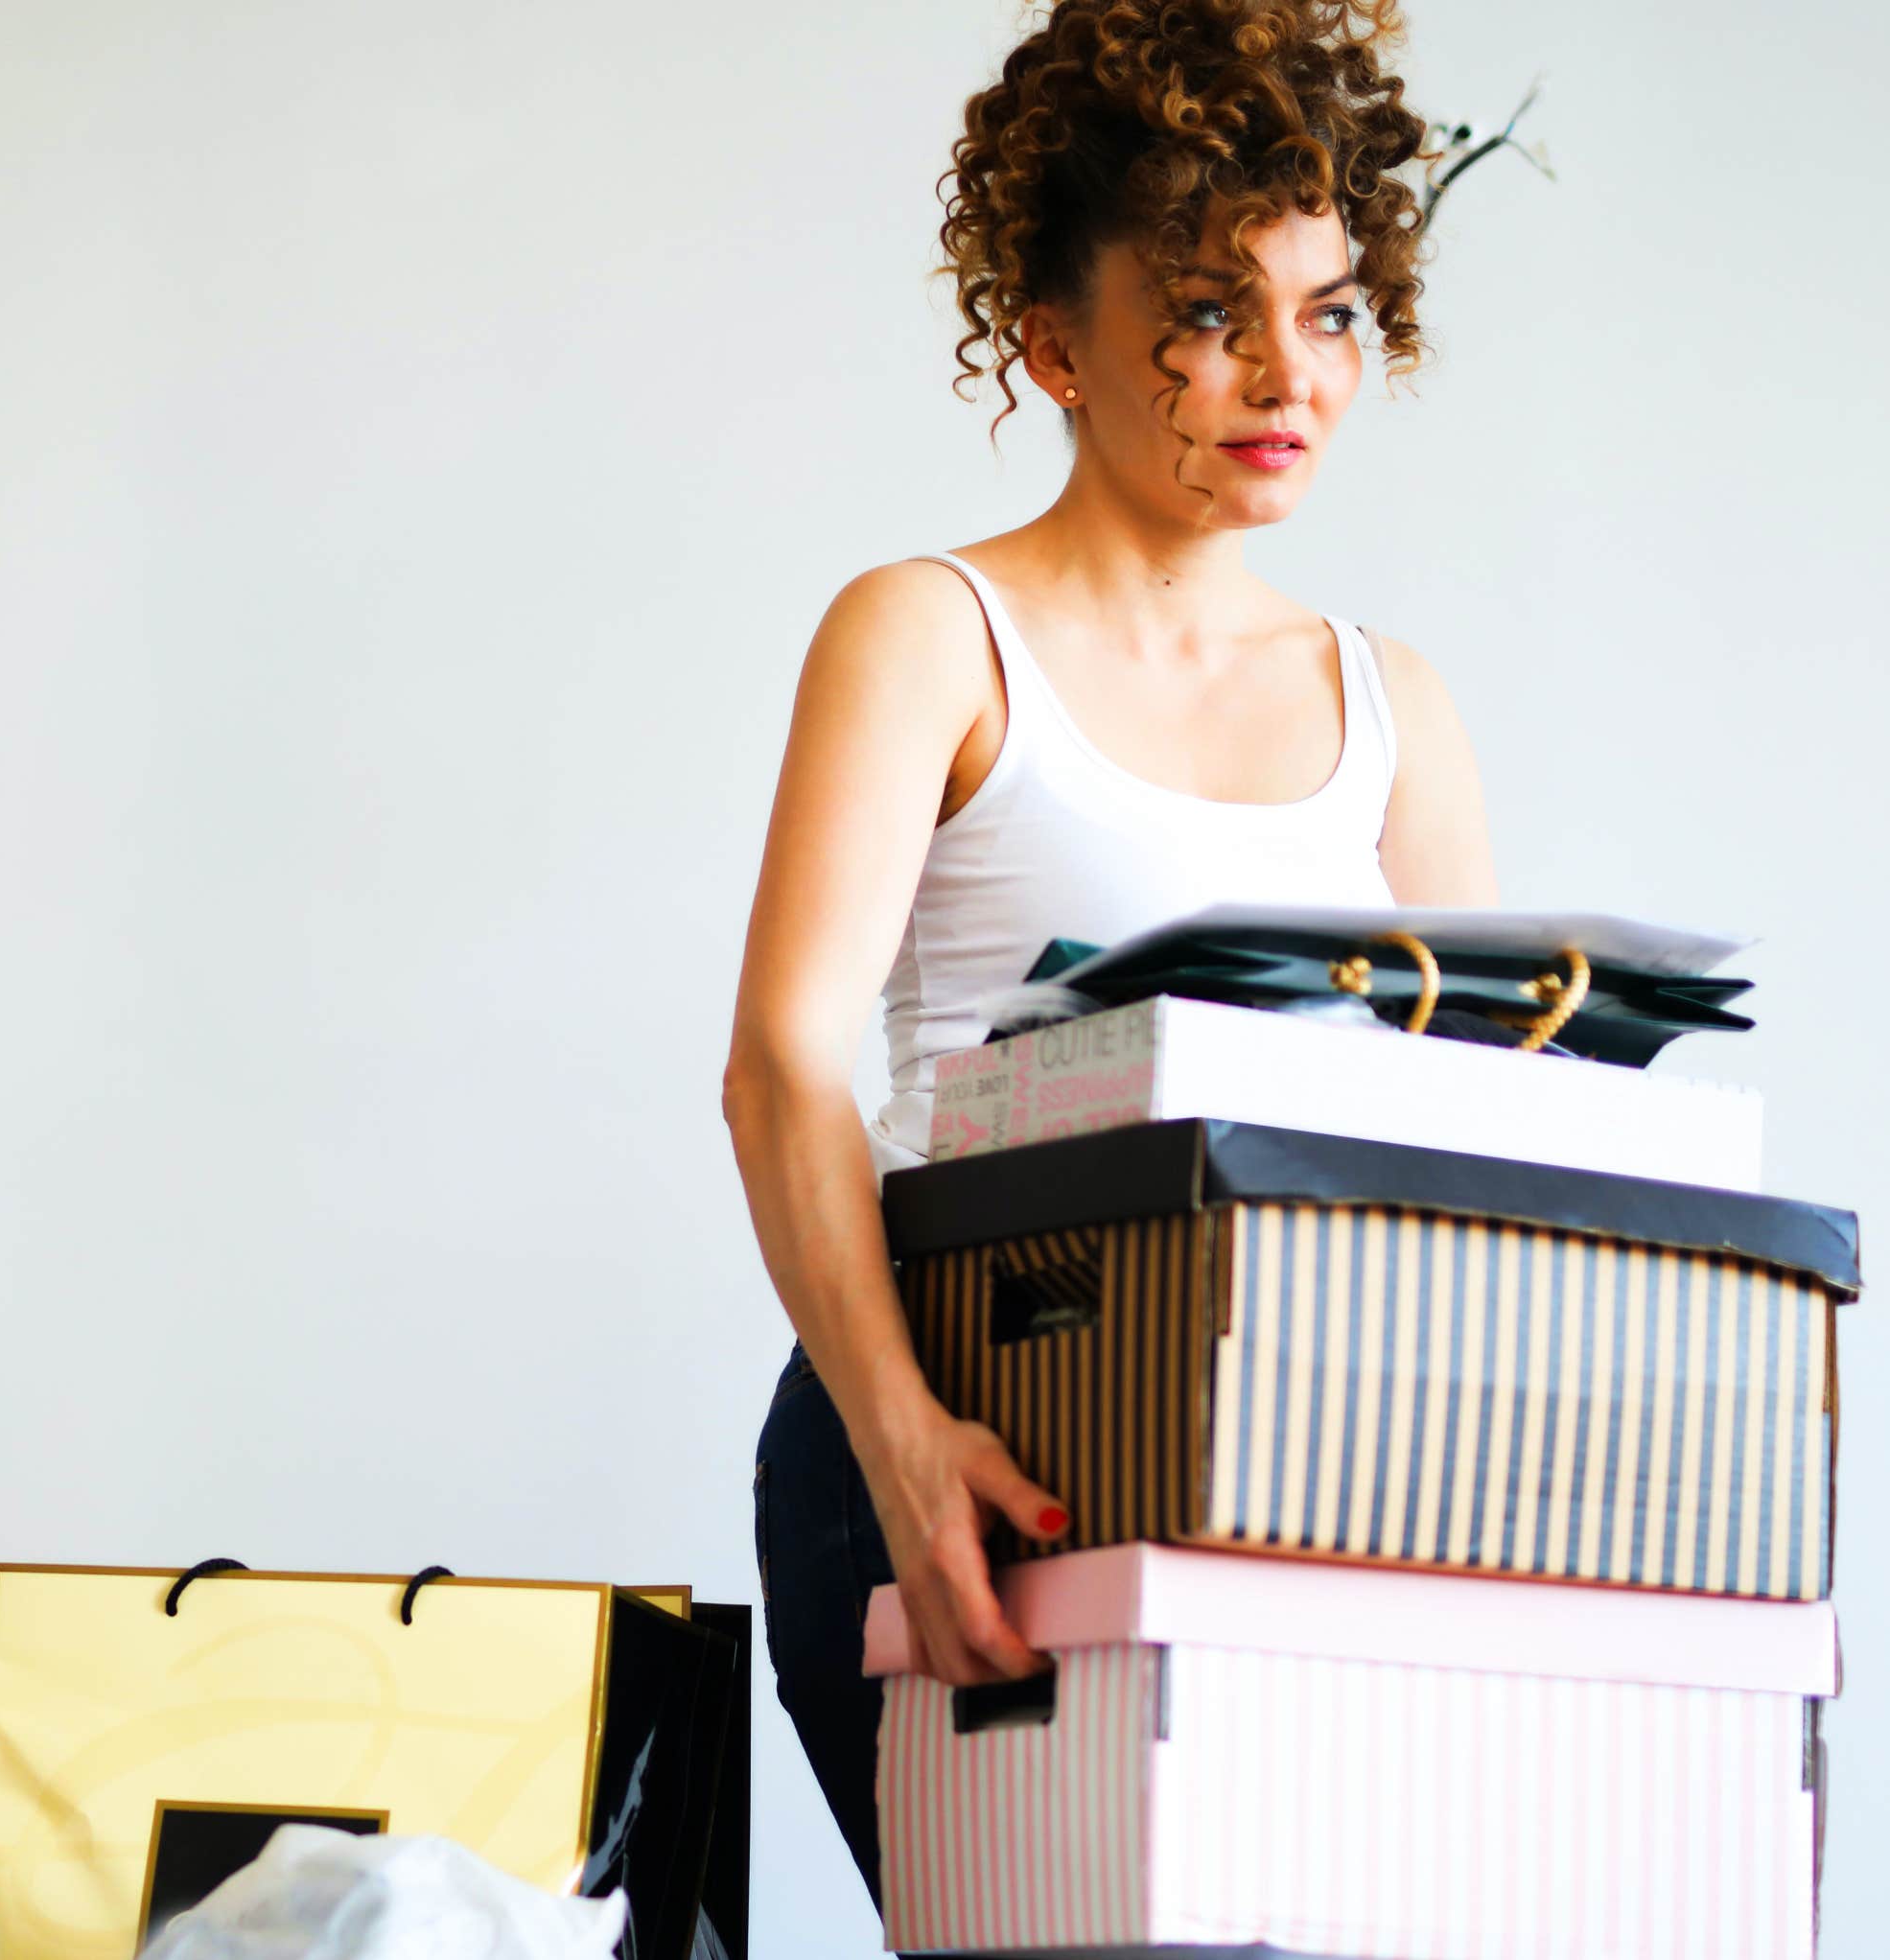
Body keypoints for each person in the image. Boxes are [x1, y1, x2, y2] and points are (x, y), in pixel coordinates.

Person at [720, 0, 1500, 1901]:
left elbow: (1468, 1151)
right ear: (1054, 344)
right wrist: (902, 1447)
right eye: (1212, 311)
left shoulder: (1393, 707)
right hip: (958, 1435)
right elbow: (784, 1067)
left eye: (1327, 309)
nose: (1285, 374)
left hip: (1292, 1469)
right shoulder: (926, 632)